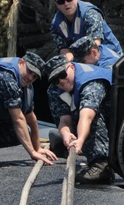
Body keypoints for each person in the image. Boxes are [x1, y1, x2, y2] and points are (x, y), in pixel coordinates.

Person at [46, 54, 117, 184]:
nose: (61, 81)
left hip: (119, 118)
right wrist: (66, 134)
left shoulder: (90, 82)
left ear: (72, 67)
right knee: (72, 122)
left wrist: (80, 140)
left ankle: (101, 165)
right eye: (56, 79)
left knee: (88, 115)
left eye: (62, 74)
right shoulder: (55, 90)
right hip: (100, 119)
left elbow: (87, 116)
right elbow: (64, 120)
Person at [49, 0, 123, 60]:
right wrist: (69, 60)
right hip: (82, 58)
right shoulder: (56, 23)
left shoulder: (90, 14)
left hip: (107, 54)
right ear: (57, 5)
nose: (66, 4)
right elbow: (63, 49)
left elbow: (96, 43)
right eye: (61, 1)